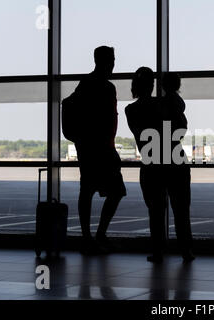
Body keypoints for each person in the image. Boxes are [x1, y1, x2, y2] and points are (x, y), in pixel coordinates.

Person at [73, 46, 126, 255]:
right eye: (111, 59)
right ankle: (96, 236)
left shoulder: (86, 84)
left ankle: (89, 237)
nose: (113, 64)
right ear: (102, 61)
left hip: (89, 148)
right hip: (102, 148)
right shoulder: (105, 87)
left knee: (87, 191)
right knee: (115, 191)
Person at [125, 67, 166, 263]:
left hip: (148, 163)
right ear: (152, 85)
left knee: (154, 210)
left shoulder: (130, 110)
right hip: (167, 160)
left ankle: (157, 249)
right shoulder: (160, 105)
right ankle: (183, 249)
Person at [161, 72, 194, 262]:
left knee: (158, 209)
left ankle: (159, 249)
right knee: (182, 209)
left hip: (158, 157)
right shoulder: (179, 107)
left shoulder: (160, 106)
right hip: (177, 158)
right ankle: (186, 249)